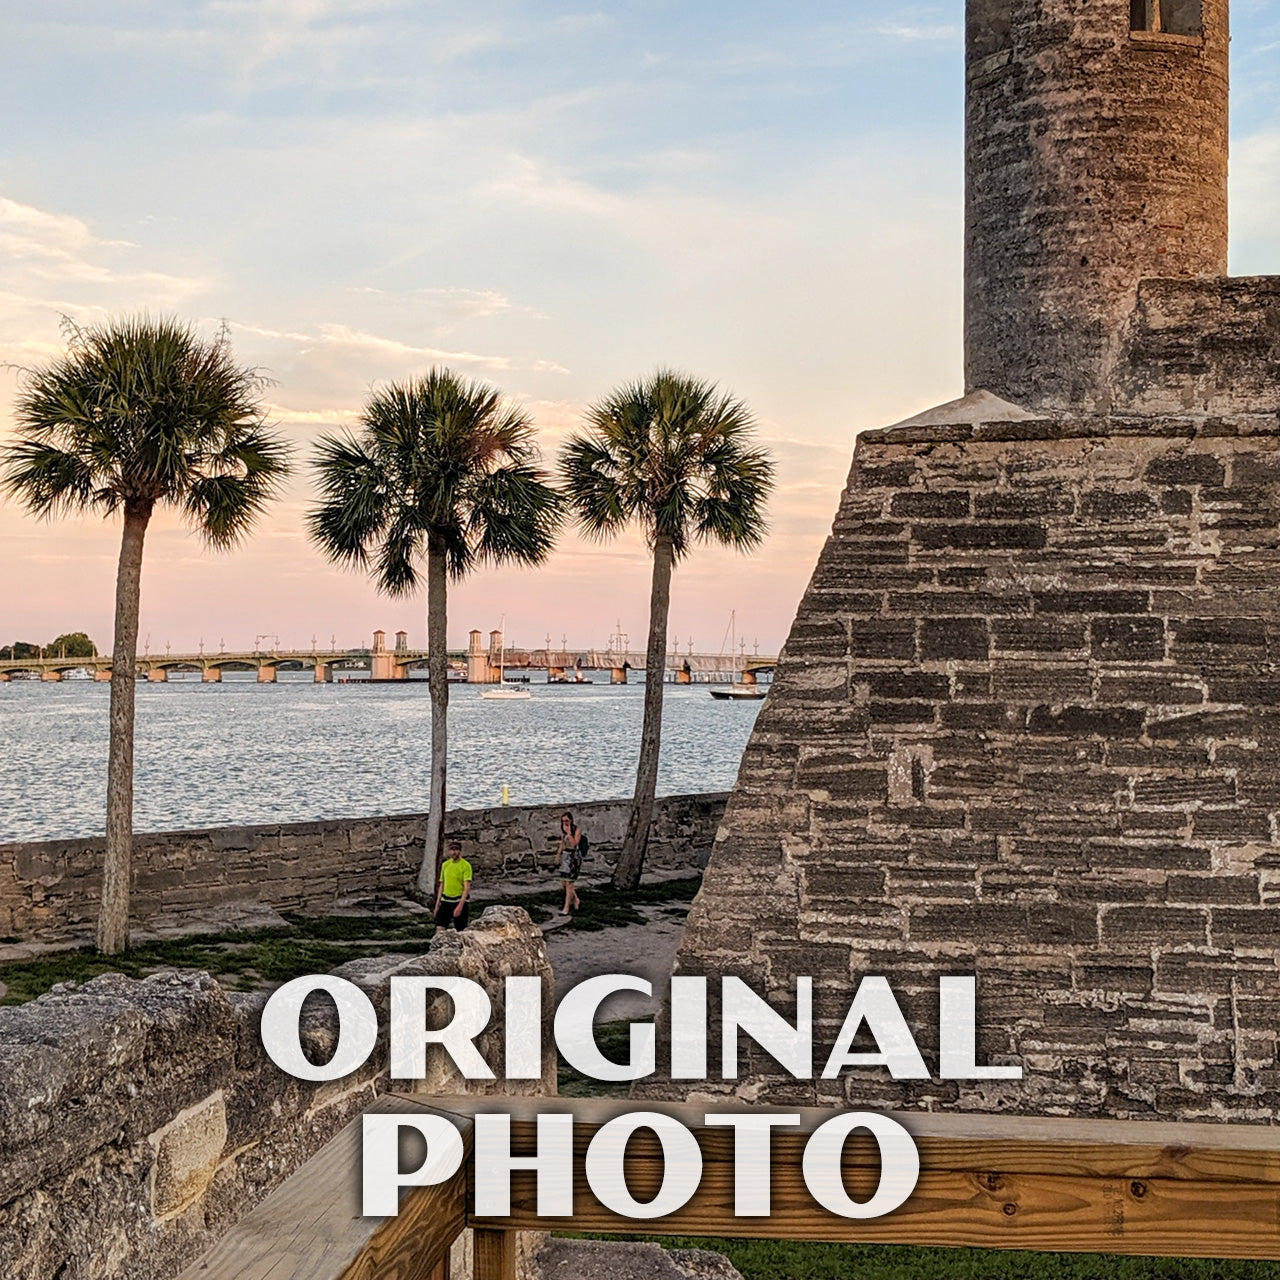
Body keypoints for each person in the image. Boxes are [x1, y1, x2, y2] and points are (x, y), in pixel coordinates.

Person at [434, 840, 472, 931]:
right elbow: (442, 884)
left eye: (456, 850)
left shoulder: (466, 866)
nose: (453, 852)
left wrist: (460, 906)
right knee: (440, 928)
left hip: (458, 900)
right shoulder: (445, 865)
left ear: (460, 851)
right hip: (446, 900)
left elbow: (467, 888)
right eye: (451, 850)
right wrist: (437, 903)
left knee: (461, 930)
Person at [556, 811, 583, 915]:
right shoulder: (563, 830)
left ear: (571, 820)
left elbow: (574, 843)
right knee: (564, 883)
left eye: (566, 821)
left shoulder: (576, 830)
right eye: (563, 821)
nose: (565, 823)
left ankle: (566, 908)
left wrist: (569, 833)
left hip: (574, 857)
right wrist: (558, 854)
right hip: (566, 857)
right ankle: (576, 899)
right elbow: (563, 843)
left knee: (569, 883)